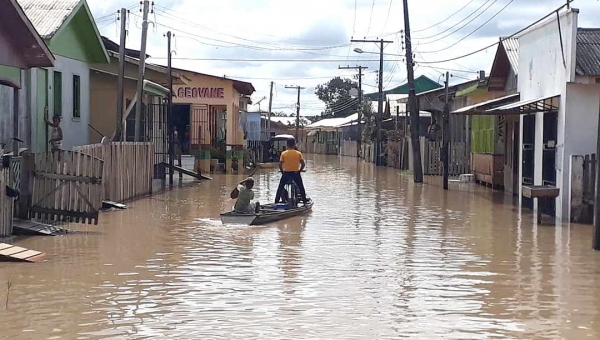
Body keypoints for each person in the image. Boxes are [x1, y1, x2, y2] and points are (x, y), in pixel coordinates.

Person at [275, 138, 309, 204]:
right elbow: (303, 164)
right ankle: (304, 201)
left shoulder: (283, 153)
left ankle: (276, 202)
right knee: (301, 187)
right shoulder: (298, 153)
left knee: (280, 187)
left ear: (287, 145)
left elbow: (280, 165)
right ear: (294, 144)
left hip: (286, 173)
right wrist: (299, 170)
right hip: (296, 173)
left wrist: (282, 172)